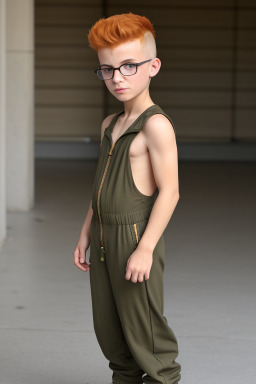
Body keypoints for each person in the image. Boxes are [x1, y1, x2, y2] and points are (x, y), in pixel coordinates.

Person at [73, 12, 181, 384]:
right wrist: (86, 231)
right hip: (103, 235)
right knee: (109, 327)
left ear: (153, 66)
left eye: (129, 66)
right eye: (107, 69)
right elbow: (99, 183)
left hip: (134, 236)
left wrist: (146, 248)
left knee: (144, 327)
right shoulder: (108, 124)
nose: (117, 77)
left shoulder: (156, 126)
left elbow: (171, 191)